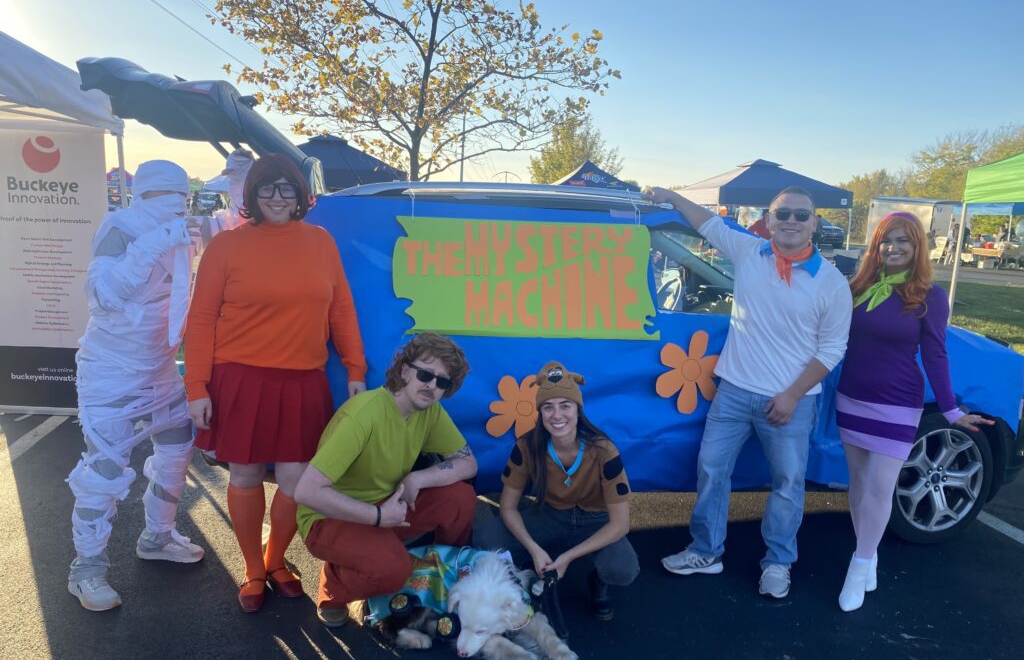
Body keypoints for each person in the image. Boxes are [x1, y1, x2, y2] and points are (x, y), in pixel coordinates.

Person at [647, 185, 852, 598]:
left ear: (815, 223)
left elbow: (833, 349)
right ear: (768, 220)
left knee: (788, 483)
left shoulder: (831, 283)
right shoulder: (748, 252)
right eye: (783, 214)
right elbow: (704, 222)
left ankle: (778, 562)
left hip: (791, 403)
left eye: (801, 215)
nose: (791, 221)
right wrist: (670, 195)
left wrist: (792, 394)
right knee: (710, 469)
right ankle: (706, 551)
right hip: (734, 392)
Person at [185, 153, 367, 613]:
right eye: (267, 187)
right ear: (252, 194)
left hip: (302, 380)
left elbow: (341, 309)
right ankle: (251, 569)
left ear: (301, 195)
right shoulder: (226, 247)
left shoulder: (321, 242)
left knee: (295, 480)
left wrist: (355, 369)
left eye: (286, 188)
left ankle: (276, 560)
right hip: (240, 378)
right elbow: (201, 320)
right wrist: (196, 387)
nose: (277, 197)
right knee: (245, 474)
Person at [836, 212, 992, 612]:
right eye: (887, 240)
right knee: (856, 485)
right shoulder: (859, 286)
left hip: (898, 404)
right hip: (852, 397)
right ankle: (866, 552)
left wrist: (951, 410)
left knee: (879, 487)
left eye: (903, 240)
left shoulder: (929, 296)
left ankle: (859, 564)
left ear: (917, 246)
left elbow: (936, 354)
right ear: (876, 244)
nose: (894, 247)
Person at [67, 160, 205, 611]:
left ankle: (158, 535)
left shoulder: (183, 232)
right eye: (165, 196)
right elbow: (104, 294)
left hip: (160, 368)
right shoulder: (120, 227)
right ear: (143, 194)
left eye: (181, 197)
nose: (175, 206)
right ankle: (85, 570)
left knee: (177, 448)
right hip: (111, 371)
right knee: (103, 472)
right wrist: (155, 243)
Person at [293, 333, 478, 627]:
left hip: (386, 507)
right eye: (426, 374)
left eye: (442, 381)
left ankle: (442, 574)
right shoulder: (364, 414)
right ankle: (335, 583)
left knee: (461, 499)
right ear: (405, 371)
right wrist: (377, 516)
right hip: (328, 518)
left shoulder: (430, 412)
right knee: (392, 571)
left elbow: (467, 463)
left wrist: (418, 477)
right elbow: (307, 492)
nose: (432, 385)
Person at [474, 361, 638, 621]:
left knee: (622, 568)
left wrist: (569, 558)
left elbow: (620, 524)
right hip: (550, 515)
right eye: (548, 407)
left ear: (578, 409)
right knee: (487, 537)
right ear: (540, 413)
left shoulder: (604, 450)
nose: (557, 415)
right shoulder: (527, 446)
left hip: (595, 521)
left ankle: (598, 581)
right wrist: (534, 549)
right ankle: (532, 566)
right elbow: (507, 506)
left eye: (565, 405)